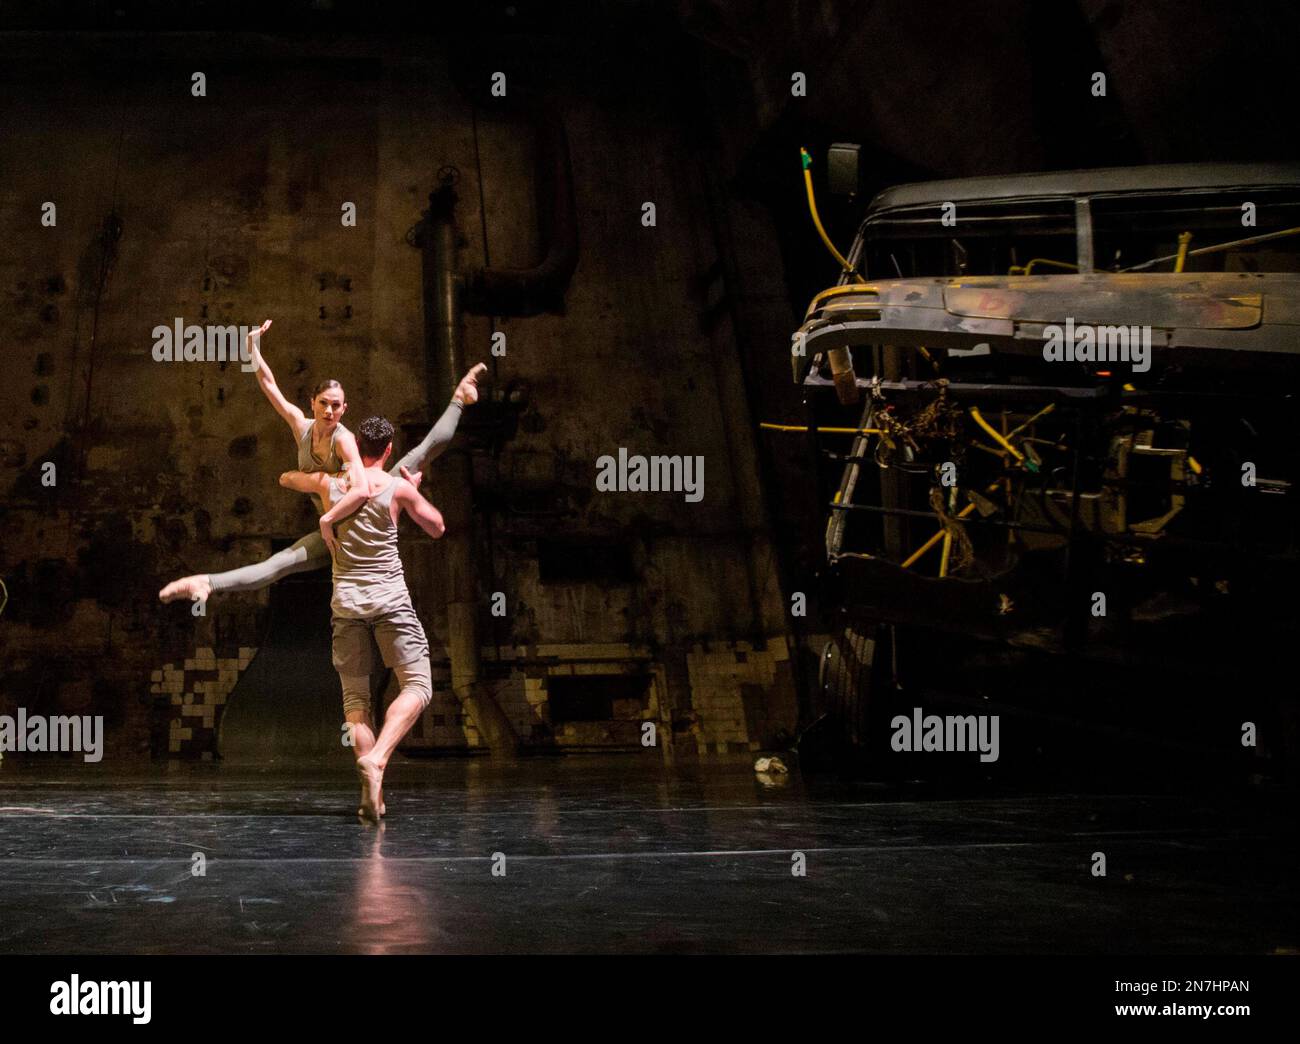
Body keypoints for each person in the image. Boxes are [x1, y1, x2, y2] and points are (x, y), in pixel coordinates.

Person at [157, 319, 486, 603]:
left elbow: (358, 488)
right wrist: (251, 348)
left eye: (336, 406)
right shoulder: (300, 425)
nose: (329, 411)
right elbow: (270, 386)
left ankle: (459, 397)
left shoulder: (344, 440)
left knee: (419, 455)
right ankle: (207, 582)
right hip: (336, 527)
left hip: (353, 509)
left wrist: (320, 505)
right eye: (324, 404)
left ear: (345, 409)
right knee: (280, 564)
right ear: (312, 403)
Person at [285, 416, 447, 822]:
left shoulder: (331, 486)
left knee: (356, 701)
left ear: (356, 443)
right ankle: (377, 760)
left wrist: (318, 467)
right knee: (418, 685)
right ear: (390, 450)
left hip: (347, 605)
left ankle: (371, 792)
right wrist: (412, 490)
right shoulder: (398, 487)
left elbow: (287, 478)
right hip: (390, 601)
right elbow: (438, 528)